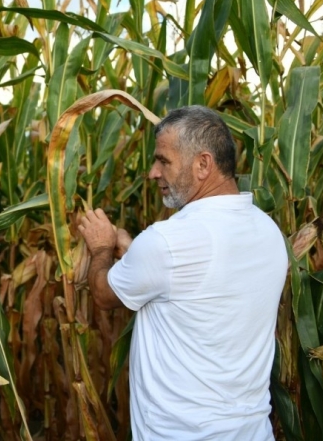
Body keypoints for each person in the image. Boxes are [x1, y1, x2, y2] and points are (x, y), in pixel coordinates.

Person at [77, 106, 287, 440]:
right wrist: (133, 250)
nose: (152, 173)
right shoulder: (268, 231)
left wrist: (102, 248)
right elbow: (194, 284)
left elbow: (103, 294)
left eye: (163, 161)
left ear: (203, 164)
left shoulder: (168, 242)